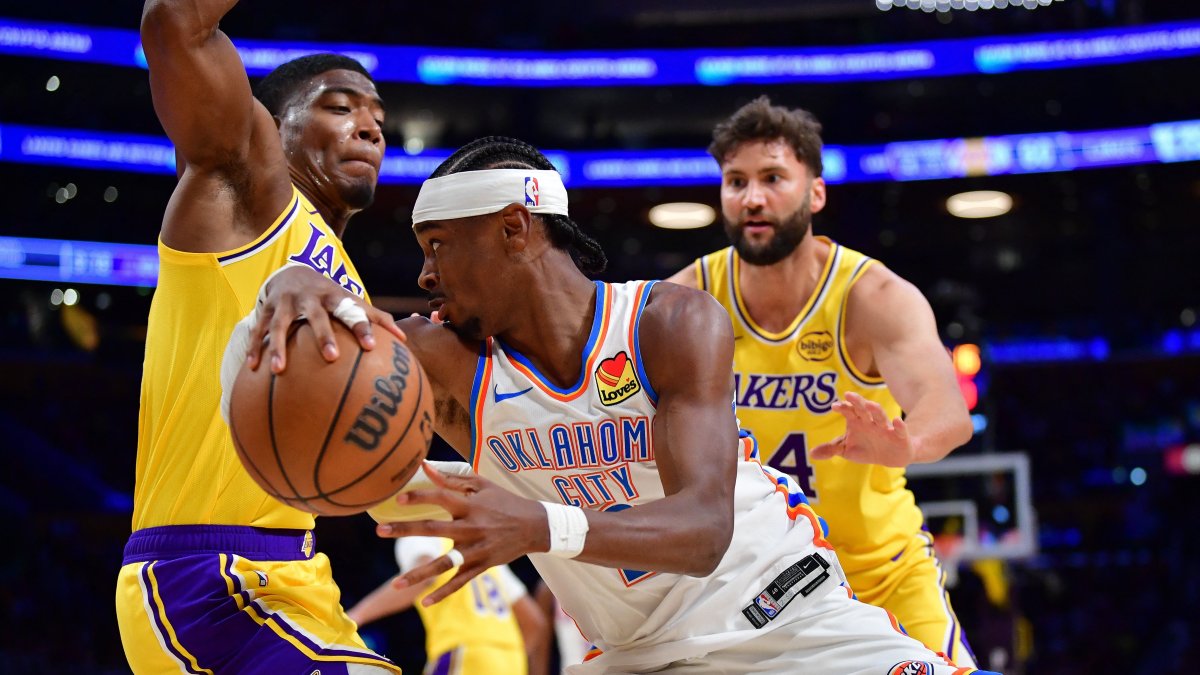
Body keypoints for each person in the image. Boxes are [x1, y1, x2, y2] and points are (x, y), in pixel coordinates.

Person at [244, 136, 998, 674]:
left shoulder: (669, 320)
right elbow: (324, 361)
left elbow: (704, 528)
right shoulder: (446, 360)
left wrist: (539, 525)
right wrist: (289, 285)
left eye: (438, 245)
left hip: (785, 622)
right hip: (636, 658)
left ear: (514, 228)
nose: (425, 273)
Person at [115, 1, 403, 672]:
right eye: (340, 107)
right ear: (275, 127)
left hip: (301, 573)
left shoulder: (347, 280)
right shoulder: (241, 191)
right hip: (205, 576)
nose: (369, 126)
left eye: (379, 119)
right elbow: (174, 25)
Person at [664, 95, 978, 665]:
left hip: (878, 573)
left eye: (773, 178)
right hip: (753, 588)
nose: (752, 198)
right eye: (736, 181)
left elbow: (947, 411)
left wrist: (906, 442)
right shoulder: (687, 299)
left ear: (816, 192)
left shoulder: (873, 296)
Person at [347, 532, 547, 675]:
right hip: (511, 661)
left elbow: (424, 577)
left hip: (465, 651)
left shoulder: (421, 532)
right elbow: (534, 621)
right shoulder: (479, 549)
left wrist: (356, 615)